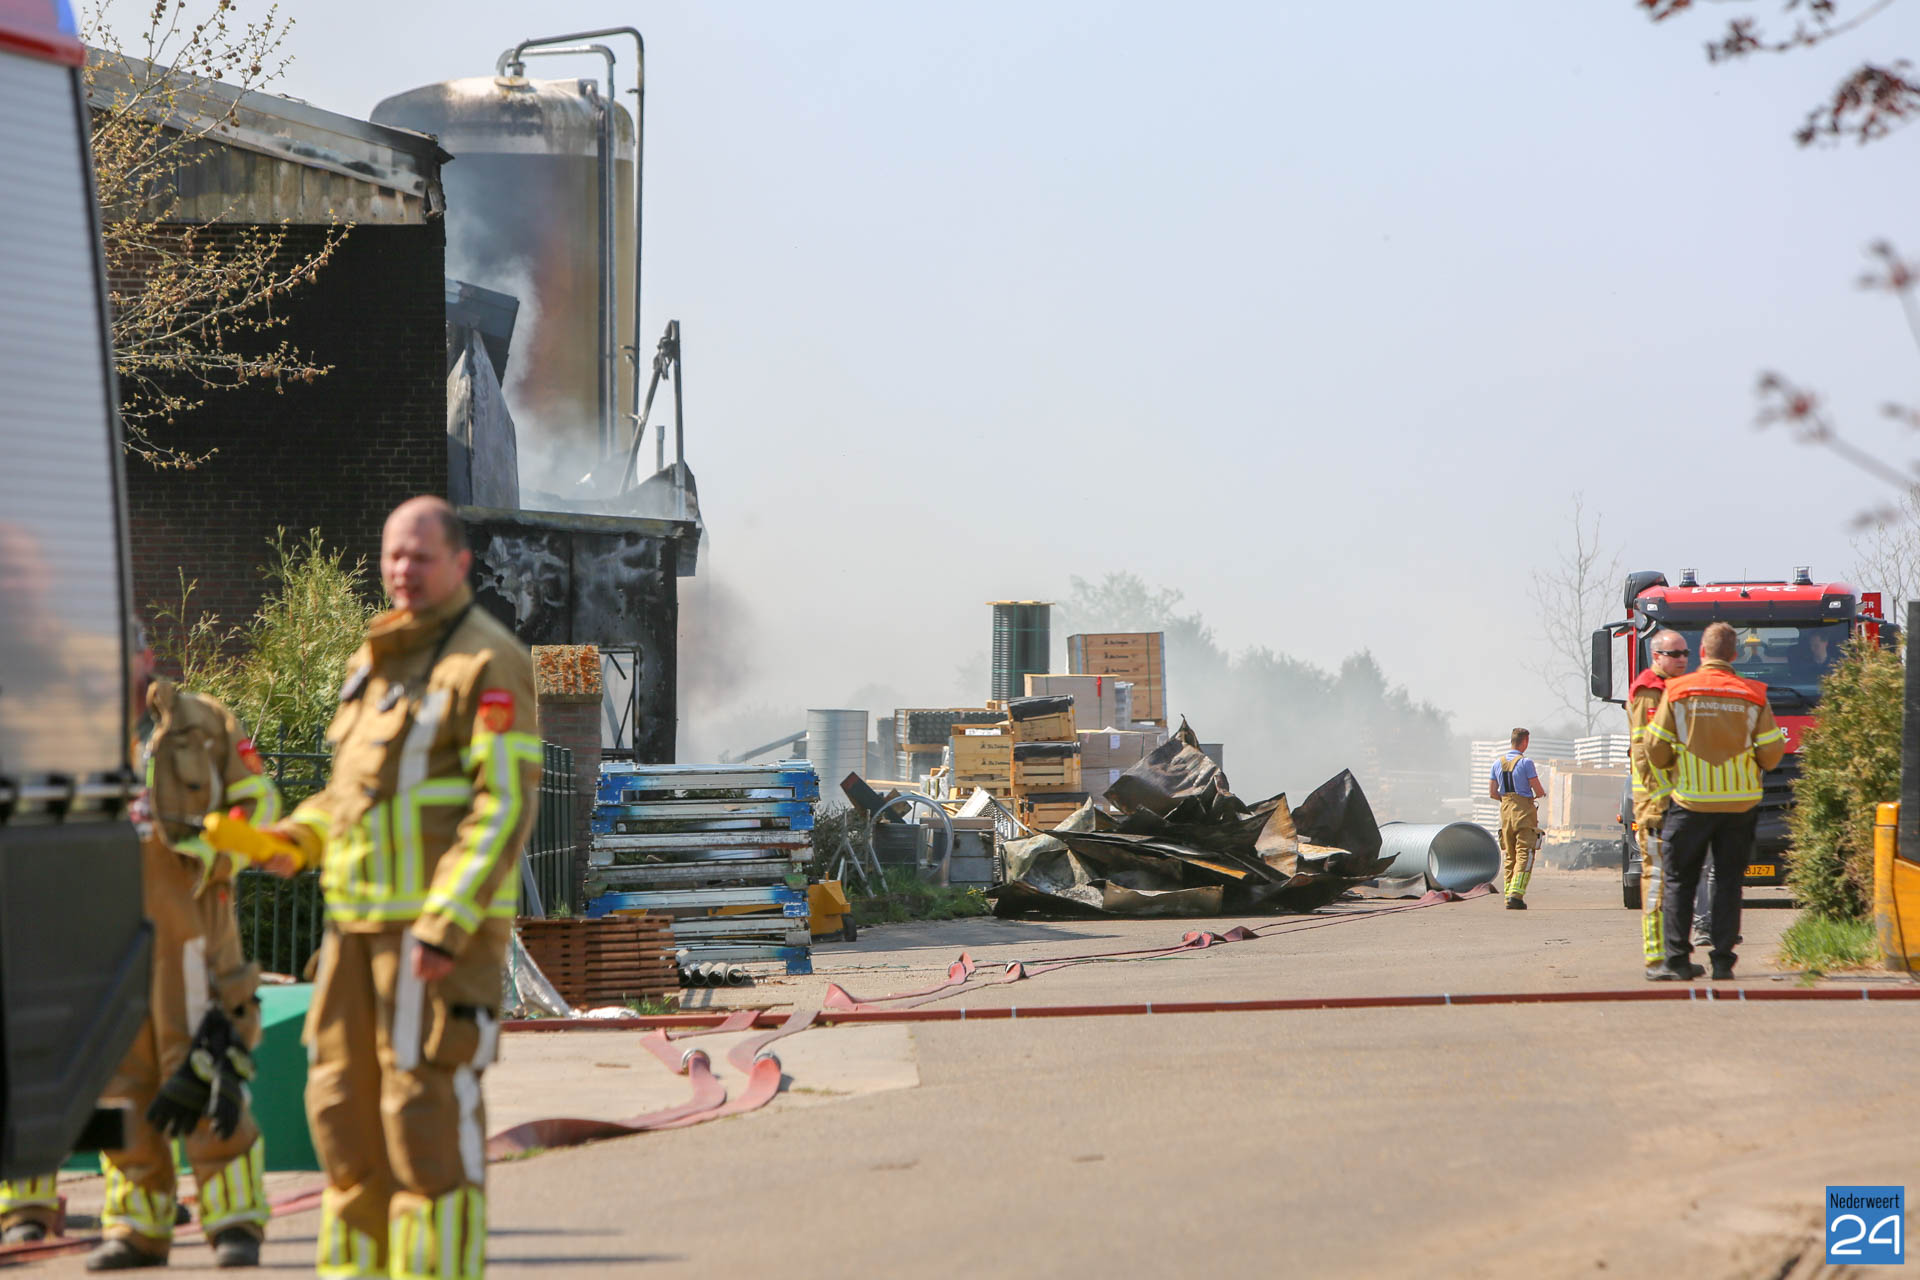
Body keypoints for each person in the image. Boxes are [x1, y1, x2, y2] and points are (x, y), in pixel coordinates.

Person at [264, 496, 539, 1280]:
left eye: (420, 556)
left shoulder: (488, 660)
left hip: (430, 943)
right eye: (393, 555)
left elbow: (505, 805)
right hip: (350, 937)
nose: (403, 570)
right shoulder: (374, 657)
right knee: (340, 1112)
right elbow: (352, 795)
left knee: (424, 1118)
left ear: (460, 564)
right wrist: (298, 836)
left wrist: (444, 924)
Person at [1, 674, 283, 1270]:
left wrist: (218, 851)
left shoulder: (202, 722)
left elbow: (260, 802)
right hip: (100, 940)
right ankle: (137, 1228)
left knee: (203, 1070)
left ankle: (235, 1221)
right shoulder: (58, 727)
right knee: (119, 1085)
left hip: (192, 940)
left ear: (143, 653)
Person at [1643, 621, 1788, 981]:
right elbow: (1772, 753)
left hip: (1690, 804)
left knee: (1680, 881)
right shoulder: (1753, 694)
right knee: (1727, 883)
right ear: (1735, 655)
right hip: (1740, 807)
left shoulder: (1677, 690)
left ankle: (1678, 960)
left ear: (1702, 653)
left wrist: (1677, 763)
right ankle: (1723, 962)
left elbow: (1655, 748)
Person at [1627, 630, 1696, 975]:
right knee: (1656, 878)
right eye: (1674, 653)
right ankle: (1656, 958)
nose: (1682, 659)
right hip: (1657, 804)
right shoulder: (1649, 691)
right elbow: (1645, 752)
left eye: (1685, 653)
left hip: (1677, 801)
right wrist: (1658, 800)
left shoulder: (1674, 688)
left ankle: (1673, 953)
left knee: (1675, 881)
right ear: (1656, 656)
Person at [1487, 727, 1546, 909]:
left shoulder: (1497, 763)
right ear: (1525, 742)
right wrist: (1538, 795)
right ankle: (1516, 895)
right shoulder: (1526, 763)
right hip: (1524, 813)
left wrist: (1507, 800)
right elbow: (1538, 790)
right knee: (1524, 854)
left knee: (1510, 855)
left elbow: (1492, 792)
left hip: (1505, 813)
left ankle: (1508, 896)